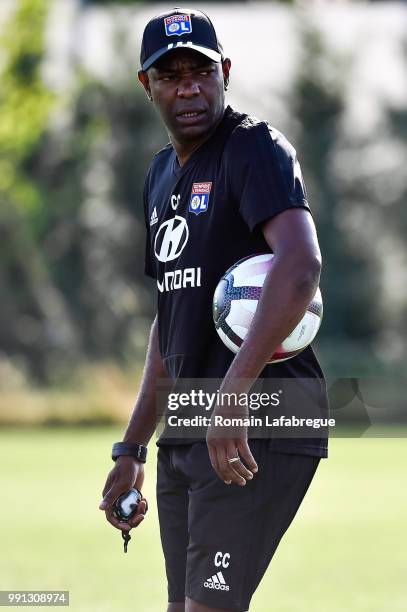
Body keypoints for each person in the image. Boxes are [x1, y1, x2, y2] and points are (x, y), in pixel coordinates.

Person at [99, 7, 329, 612]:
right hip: (191, 421)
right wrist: (131, 449)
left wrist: (234, 392)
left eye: (200, 71)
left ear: (224, 71)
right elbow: (169, 320)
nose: (188, 87)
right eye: (170, 75)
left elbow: (301, 266)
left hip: (263, 416)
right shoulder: (158, 175)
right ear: (146, 86)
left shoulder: (252, 147)